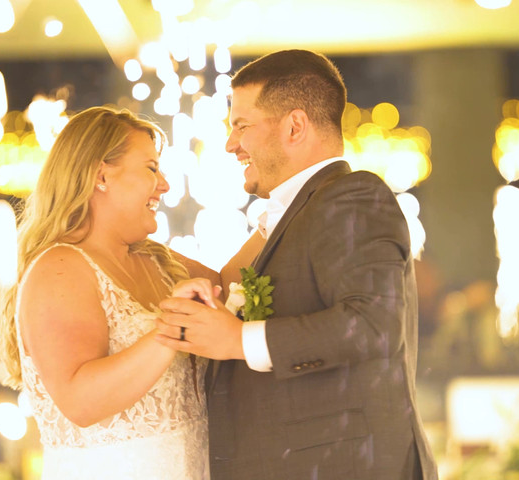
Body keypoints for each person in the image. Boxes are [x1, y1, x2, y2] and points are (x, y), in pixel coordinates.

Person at [155, 50, 438, 479]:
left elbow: (372, 326)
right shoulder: (295, 213)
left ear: (295, 126)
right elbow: (217, 283)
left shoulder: (351, 196)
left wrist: (238, 340)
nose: (231, 145)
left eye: (242, 126)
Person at [0, 106, 217, 479]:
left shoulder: (157, 261)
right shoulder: (59, 268)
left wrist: (279, 212)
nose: (164, 185)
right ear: (101, 176)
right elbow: (80, 400)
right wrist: (173, 329)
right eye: (151, 168)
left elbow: (235, 283)